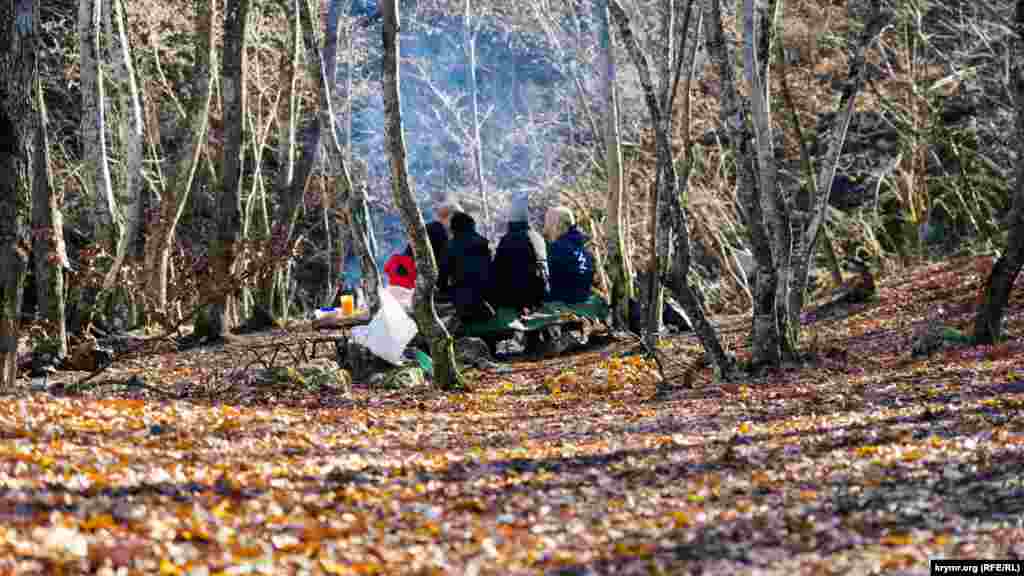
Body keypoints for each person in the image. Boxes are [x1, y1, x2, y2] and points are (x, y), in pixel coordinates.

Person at [490, 196, 549, 312]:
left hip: (517, 300)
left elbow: (496, 270)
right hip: (542, 295)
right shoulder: (538, 237)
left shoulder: (507, 240)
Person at [446, 211, 495, 323]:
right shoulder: (483, 243)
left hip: (461, 302)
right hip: (486, 299)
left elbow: (442, 275)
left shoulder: (449, 246)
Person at [545, 206, 594, 304]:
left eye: (549, 224)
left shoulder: (557, 248)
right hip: (583, 303)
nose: (546, 229)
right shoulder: (583, 249)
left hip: (562, 305)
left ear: (557, 225)